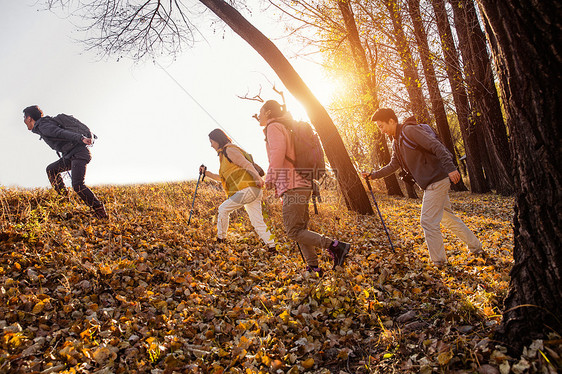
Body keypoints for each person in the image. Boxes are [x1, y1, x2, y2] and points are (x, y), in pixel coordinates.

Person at [363, 108, 482, 267]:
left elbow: (436, 146)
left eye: (381, 126)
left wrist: (451, 167)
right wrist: (373, 175)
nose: (381, 130)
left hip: (437, 180)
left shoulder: (409, 130)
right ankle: (476, 248)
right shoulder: (396, 141)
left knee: (427, 221)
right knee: (447, 218)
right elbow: (393, 165)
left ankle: (439, 262)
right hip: (431, 183)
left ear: (391, 121)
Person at [258, 100, 350, 275]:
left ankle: (336, 246)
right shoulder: (286, 126)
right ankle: (313, 268)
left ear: (268, 112)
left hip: (293, 184)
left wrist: (270, 178)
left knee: (293, 231)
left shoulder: (273, 127)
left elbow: (278, 152)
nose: (258, 115)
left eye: (261, 111)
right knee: (300, 230)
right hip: (301, 183)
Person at [23, 105, 108, 219]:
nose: (24, 121)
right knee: (51, 170)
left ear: (29, 118)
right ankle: (64, 199)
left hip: (78, 154)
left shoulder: (43, 126)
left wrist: (80, 138)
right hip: (71, 156)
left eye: (24, 117)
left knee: (78, 185)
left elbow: (60, 133)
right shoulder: (44, 125)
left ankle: (100, 211)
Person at [199, 129, 276, 250]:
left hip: (247, 189)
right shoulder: (223, 156)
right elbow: (222, 178)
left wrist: (257, 178)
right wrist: (206, 173)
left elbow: (246, 164)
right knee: (257, 222)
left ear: (218, 140)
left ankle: (221, 239)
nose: (211, 145)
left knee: (223, 209)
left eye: (211, 141)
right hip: (251, 190)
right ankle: (272, 246)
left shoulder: (230, 150)